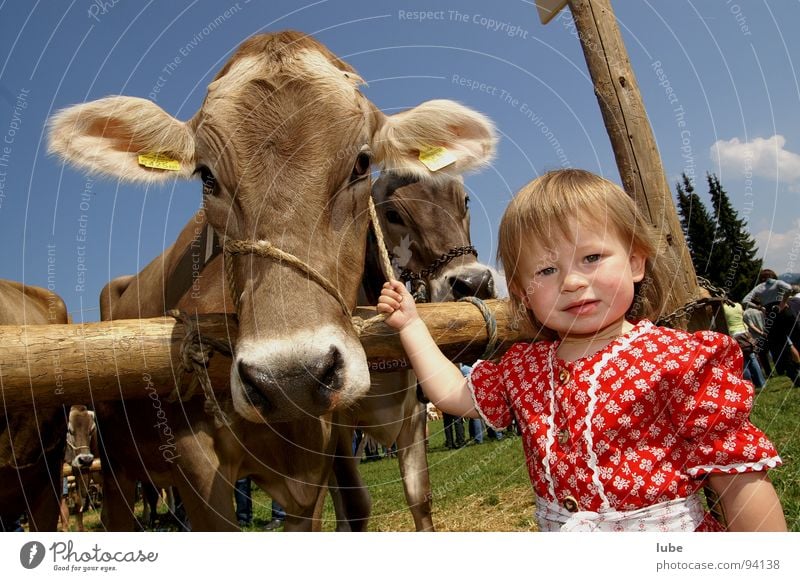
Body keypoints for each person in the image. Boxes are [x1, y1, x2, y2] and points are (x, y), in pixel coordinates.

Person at [378, 168, 786, 532]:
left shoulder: (679, 360)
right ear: (522, 292)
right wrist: (412, 326)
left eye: (591, 257)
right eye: (546, 270)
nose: (572, 281)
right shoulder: (525, 367)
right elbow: (454, 393)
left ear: (636, 262)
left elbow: (738, 482)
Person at [742, 269, 799, 385]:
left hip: (770, 315)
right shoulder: (776, 283)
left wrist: (760, 307)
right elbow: (789, 288)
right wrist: (783, 303)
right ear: (772, 276)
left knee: (780, 346)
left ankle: (793, 374)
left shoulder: (758, 288)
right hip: (784, 312)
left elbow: (745, 301)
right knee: (797, 337)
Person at [722, 301, 766, 389]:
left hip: (733, 334)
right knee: (752, 358)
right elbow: (743, 316)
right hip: (745, 333)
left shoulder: (722, 308)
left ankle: (748, 385)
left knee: (742, 361)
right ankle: (761, 383)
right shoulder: (738, 305)